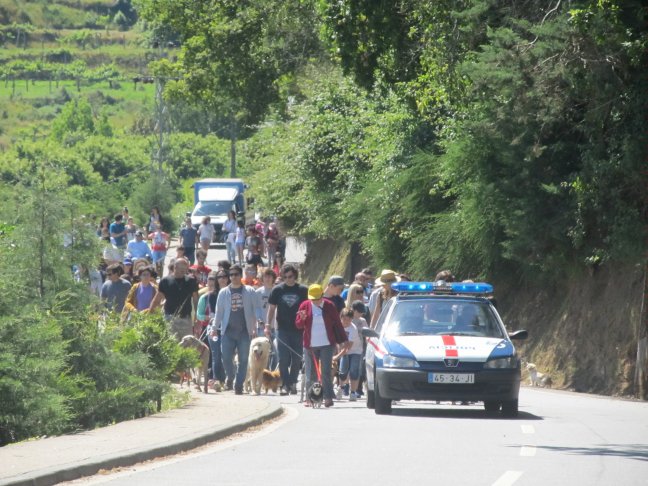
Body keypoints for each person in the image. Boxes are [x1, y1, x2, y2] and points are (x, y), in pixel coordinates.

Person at [295, 284, 348, 407]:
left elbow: (337, 324)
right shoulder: (304, 305)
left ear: (322, 296)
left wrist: (343, 340)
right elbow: (298, 325)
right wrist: (302, 319)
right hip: (310, 345)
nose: (314, 301)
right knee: (310, 373)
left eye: (317, 299)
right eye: (312, 299)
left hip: (327, 344)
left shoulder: (329, 306)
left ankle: (328, 397)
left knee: (326, 372)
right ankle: (310, 398)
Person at [212, 264, 257, 394]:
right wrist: (215, 327)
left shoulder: (249, 291)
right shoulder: (223, 292)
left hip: (244, 331)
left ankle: (238, 384)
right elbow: (219, 312)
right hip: (228, 331)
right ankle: (230, 377)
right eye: (231, 275)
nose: (233, 277)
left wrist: (256, 326)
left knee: (243, 360)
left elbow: (256, 309)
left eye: (236, 274)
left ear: (240, 275)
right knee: (225, 358)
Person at [266, 263, 308, 395]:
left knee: (297, 358)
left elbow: (308, 308)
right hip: (282, 329)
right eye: (285, 277)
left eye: (291, 276)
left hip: (299, 329)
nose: (288, 279)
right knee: (283, 358)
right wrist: (268, 325)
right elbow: (271, 309)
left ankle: (293, 383)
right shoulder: (277, 290)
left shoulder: (302, 290)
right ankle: (285, 384)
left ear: (295, 275)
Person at [148, 257, 199, 340]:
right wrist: (150, 314)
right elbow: (157, 300)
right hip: (170, 318)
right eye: (181, 268)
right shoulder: (165, 281)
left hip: (186, 319)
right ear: (175, 267)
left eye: (185, 268)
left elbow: (196, 299)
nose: (183, 270)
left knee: (187, 345)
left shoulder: (191, 281)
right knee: (171, 343)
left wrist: (197, 316)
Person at [198, 271, 228, 386]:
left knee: (226, 354)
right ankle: (216, 379)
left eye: (225, 276)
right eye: (219, 277)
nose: (222, 279)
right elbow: (212, 313)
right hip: (214, 328)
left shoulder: (230, 293)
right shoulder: (211, 295)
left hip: (228, 328)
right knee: (216, 354)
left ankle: (225, 378)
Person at [334, 308, 363, 401]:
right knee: (343, 370)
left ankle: (353, 392)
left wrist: (337, 356)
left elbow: (348, 347)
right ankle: (340, 388)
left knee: (354, 371)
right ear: (340, 317)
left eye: (349, 319)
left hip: (355, 351)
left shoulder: (353, 329)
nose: (346, 322)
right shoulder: (338, 326)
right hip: (343, 350)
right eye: (344, 319)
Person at [256, 268, 277, 368]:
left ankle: (273, 373)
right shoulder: (258, 292)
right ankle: (264, 373)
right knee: (264, 352)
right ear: (262, 278)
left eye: (270, 276)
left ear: (273, 278)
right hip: (262, 327)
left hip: (276, 326)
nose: (268, 278)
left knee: (276, 352)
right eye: (265, 276)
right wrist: (259, 319)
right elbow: (256, 308)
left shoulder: (277, 290)